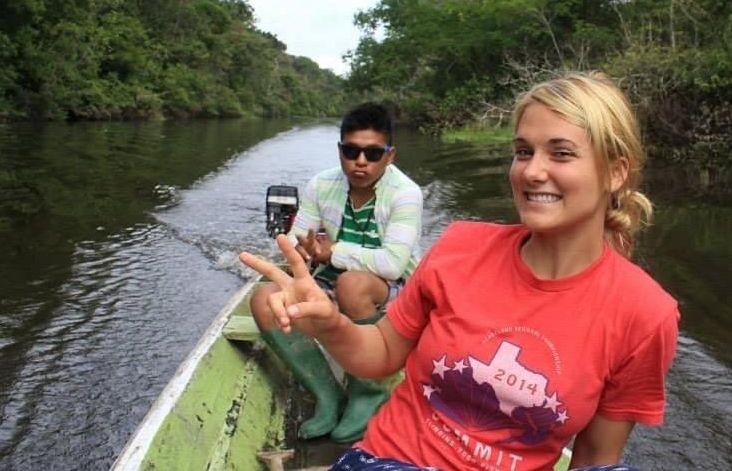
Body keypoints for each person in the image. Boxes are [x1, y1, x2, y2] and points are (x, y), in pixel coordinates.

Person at [241, 72, 679, 471]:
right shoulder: (461, 247)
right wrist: (331, 323)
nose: (532, 171)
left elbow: (595, 459)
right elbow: (379, 355)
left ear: (616, 172)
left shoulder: (644, 314)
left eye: (561, 154)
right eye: (523, 152)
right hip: (393, 461)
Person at [249, 102, 424, 443]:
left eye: (373, 153)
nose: (361, 161)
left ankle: (368, 392)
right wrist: (304, 249)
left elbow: (392, 264)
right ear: (340, 150)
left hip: (392, 289)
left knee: (353, 284)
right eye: (352, 151)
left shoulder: (406, 194)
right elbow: (301, 237)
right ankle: (327, 395)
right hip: (331, 279)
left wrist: (332, 251)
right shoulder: (320, 185)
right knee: (265, 299)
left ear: (390, 156)